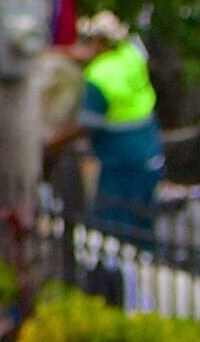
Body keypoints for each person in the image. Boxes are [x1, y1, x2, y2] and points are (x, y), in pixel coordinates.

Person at [47, 13, 165, 239]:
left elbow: (86, 126)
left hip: (120, 158)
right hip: (149, 147)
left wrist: (54, 143)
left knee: (114, 226)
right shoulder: (132, 55)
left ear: (100, 43)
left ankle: (114, 273)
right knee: (143, 221)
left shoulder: (100, 76)